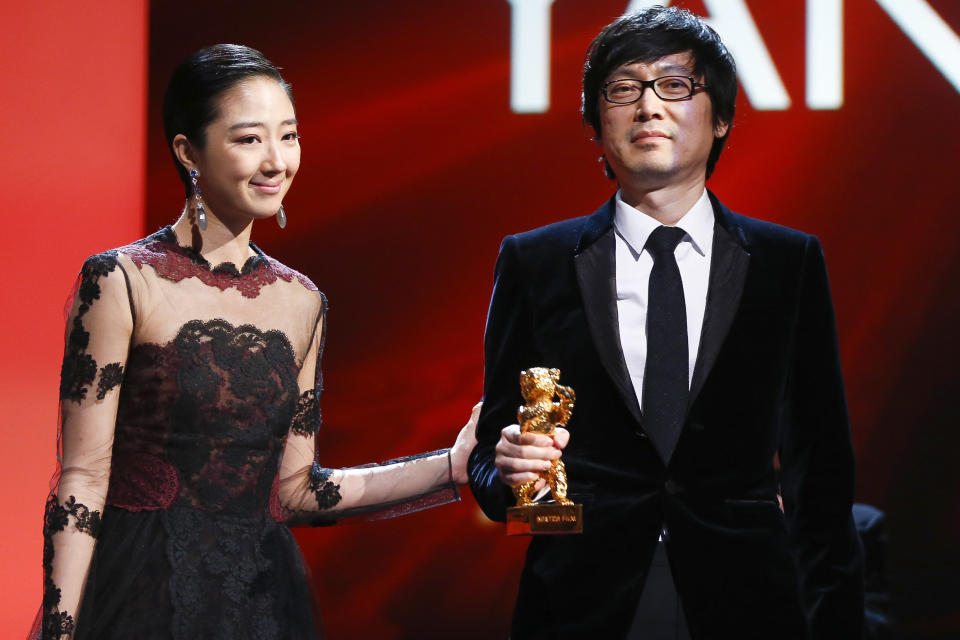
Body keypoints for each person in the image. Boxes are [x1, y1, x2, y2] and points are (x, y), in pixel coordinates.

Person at [31, 44, 479, 640]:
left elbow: (295, 491)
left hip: (262, 605)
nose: (276, 161)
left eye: (288, 137)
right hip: (142, 597)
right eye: (249, 140)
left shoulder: (301, 301)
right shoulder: (121, 280)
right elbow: (84, 479)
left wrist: (451, 466)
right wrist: (62, 631)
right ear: (189, 152)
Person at [468, 7, 863, 639]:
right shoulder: (535, 261)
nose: (648, 106)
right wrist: (509, 476)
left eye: (675, 85)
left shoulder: (786, 262)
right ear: (597, 125)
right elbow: (498, 460)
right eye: (623, 89)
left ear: (723, 117)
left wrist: (837, 622)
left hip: (748, 595)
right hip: (582, 597)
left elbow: (821, 467)